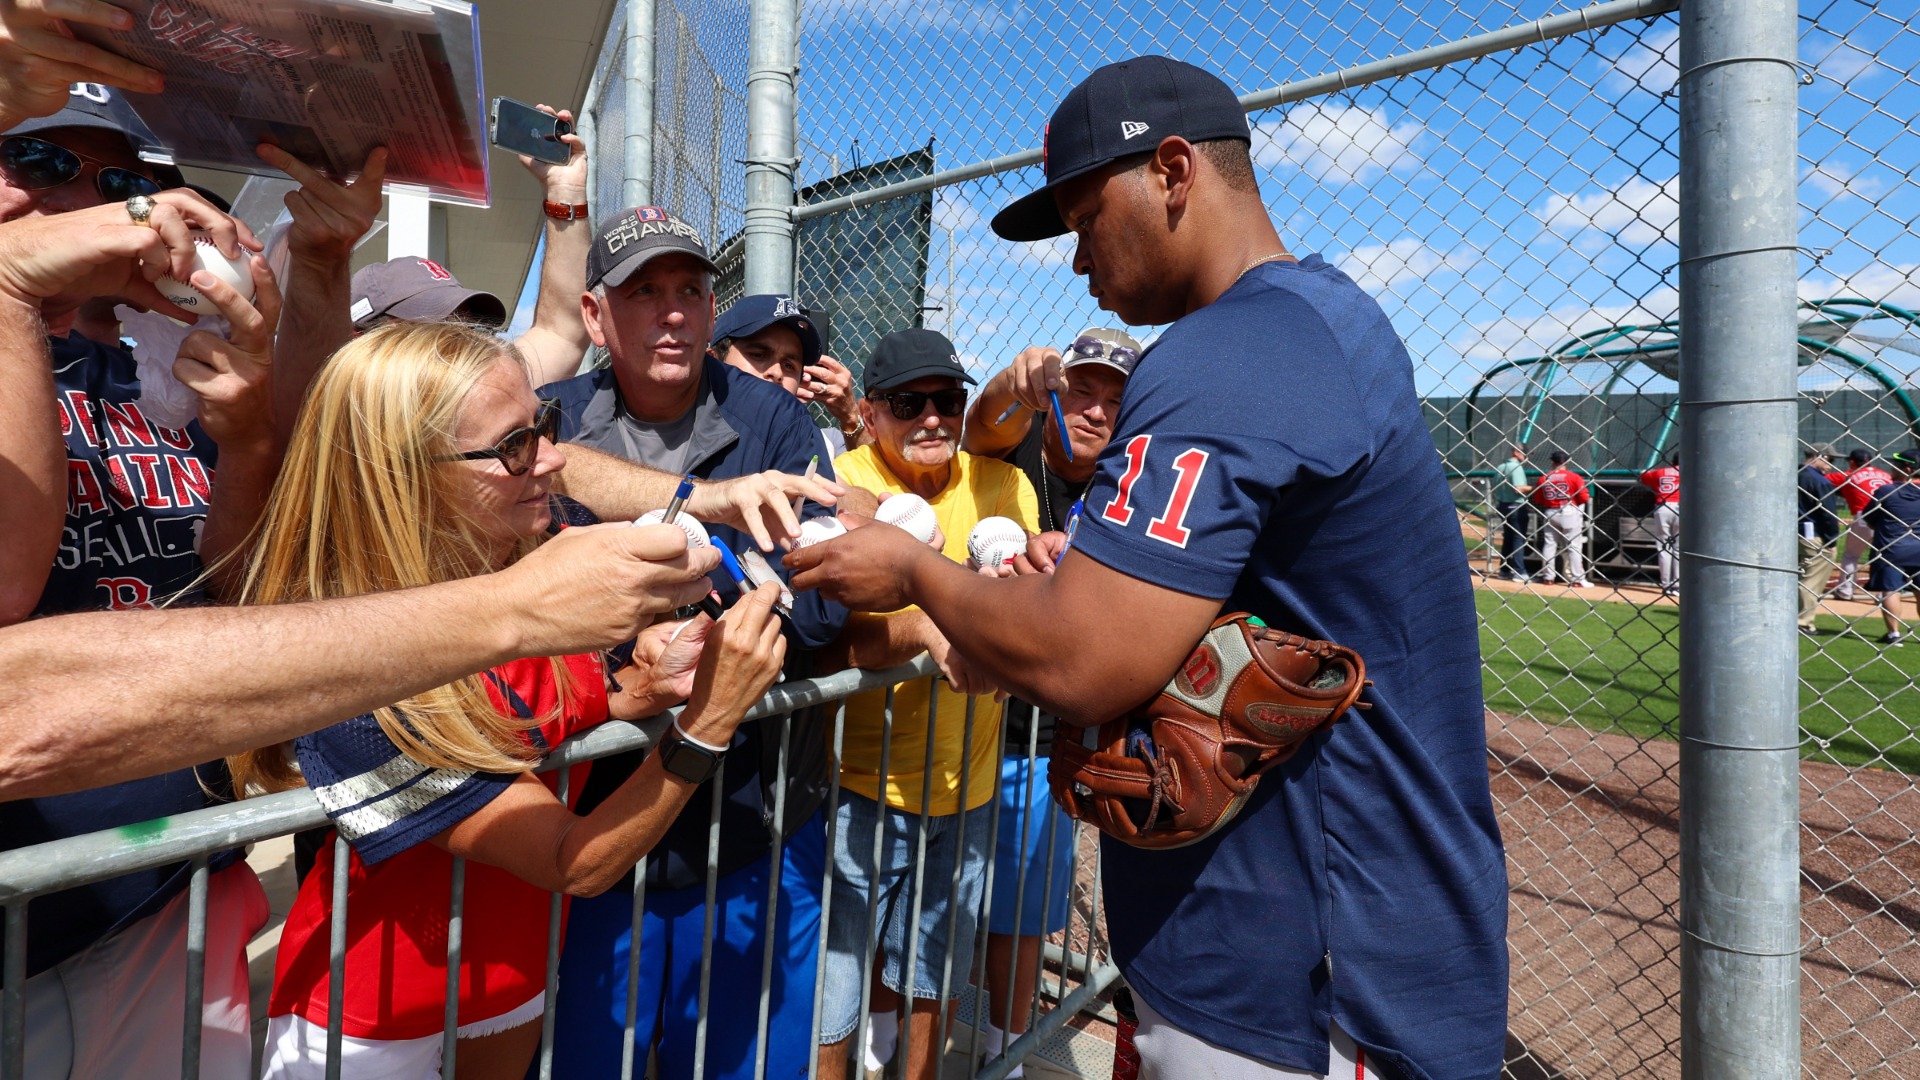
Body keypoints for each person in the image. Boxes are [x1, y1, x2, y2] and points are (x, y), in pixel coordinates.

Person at [788, 56, 1507, 1079]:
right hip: (1317, 932)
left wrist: (912, 569)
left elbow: (1084, 659)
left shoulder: (1229, 350)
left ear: (1173, 170)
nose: (1078, 262)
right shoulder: (1318, 317)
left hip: (1307, 968)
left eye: (1085, 221)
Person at [230, 321, 786, 1079]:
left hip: (512, 975)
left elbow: (548, 712)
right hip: (370, 1015)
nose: (554, 459)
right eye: (515, 446)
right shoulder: (349, 674)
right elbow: (574, 859)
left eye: (545, 426)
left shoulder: (531, 563)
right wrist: (709, 722)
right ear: (406, 474)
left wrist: (645, 685)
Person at [0, 84, 287, 1080]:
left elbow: (230, 593)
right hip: (30, 920)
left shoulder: (151, 362)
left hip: (172, 891)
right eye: (42, 166)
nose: (89, 204)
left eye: (118, 182)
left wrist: (246, 443)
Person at [538, 207, 849, 1080]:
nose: (672, 312)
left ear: (714, 312)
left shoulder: (774, 420)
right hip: (594, 817)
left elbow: (822, 606)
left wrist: (660, 605)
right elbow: (515, 607)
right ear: (597, 316)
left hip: (753, 819)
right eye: (644, 292)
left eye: (689, 291)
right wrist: (734, 578)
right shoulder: (548, 424)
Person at [814, 327, 1039, 1080]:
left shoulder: (1002, 486)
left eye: (948, 399)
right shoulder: (837, 480)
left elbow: (1029, 613)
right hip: (852, 790)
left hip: (967, 792)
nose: (934, 418)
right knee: (832, 991)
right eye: (911, 403)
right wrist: (934, 624)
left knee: (932, 974)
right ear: (871, 414)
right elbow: (829, 643)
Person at [960, 326, 1138, 1071]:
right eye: (1080, 389)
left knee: (1023, 910)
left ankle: (1006, 1049)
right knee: (940, 898)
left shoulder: (1133, 482)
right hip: (964, 725)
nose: (1094, 410)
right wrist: (1013, 381)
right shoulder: (1020, 448)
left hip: (1044, 738)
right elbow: (982, 424)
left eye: (1113, 399)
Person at [714, 292, 870, 457]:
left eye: (789, 365)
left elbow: (872, 480)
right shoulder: (686, 432)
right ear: (714, 360)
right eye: (758, 355)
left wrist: (850, 416)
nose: (777, 373)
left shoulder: (824, 446)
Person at [1863, 449, 1920, 647]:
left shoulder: (1887, 491)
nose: (1891, 468)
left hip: (1892, 549)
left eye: (1895, 465)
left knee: (1890, 589)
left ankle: (1894, 634)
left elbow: (1869, 520)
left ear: (1907, 468)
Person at [1828, 448, 1894, 602]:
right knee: (1886, 556)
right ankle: (1886, 593)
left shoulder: (1848, 475)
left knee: (1851, 555)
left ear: (1852, 462)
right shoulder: (1886, 475)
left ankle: (1846, 590)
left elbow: (1823, 480)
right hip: (1889, 519)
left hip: (1864, 517)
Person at [1532, 450, 1592, 588]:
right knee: (1574, 547)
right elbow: (1584, 497)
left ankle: (1548, 577)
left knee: (1549, 545)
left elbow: (1538, 499)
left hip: (1550, 512)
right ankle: (1577, 579)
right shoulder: (1574, 477)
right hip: (1569, 511)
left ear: (1552, 462)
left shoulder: (1544, 478)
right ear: (1565, 462)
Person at [1798, 446, 1842, 635]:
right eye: (1829, 460)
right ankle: (1803, 622)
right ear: (1816, 456)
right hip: (1814, 534)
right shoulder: (1818, 480)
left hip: (1789, 533)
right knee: (1812, 579)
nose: (1830, 466)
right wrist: (1832, 540)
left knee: (1798, 575)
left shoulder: (1790, 473)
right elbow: (1828, 515)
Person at [1639, 452, 1681, 594]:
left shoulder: (1659, 472)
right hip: (1682, 509)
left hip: (1663, 508)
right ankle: (1677, 586)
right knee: (1678, 549)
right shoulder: (1690, 472)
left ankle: (1666, 585)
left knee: (1664, 548)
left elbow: (1643, 476)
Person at [1494, 444, 1533, 582]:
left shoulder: (1500, 467)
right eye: (1525, 454)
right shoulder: (1516, 467)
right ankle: (1519, 572)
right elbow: (1518, 489)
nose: (1526, 457)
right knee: (1518, 538)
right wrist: (1535, 487)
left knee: (1509, 537)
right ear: (1517, 452)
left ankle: (1504, 570)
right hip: (1516, 505)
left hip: (1502, 505)